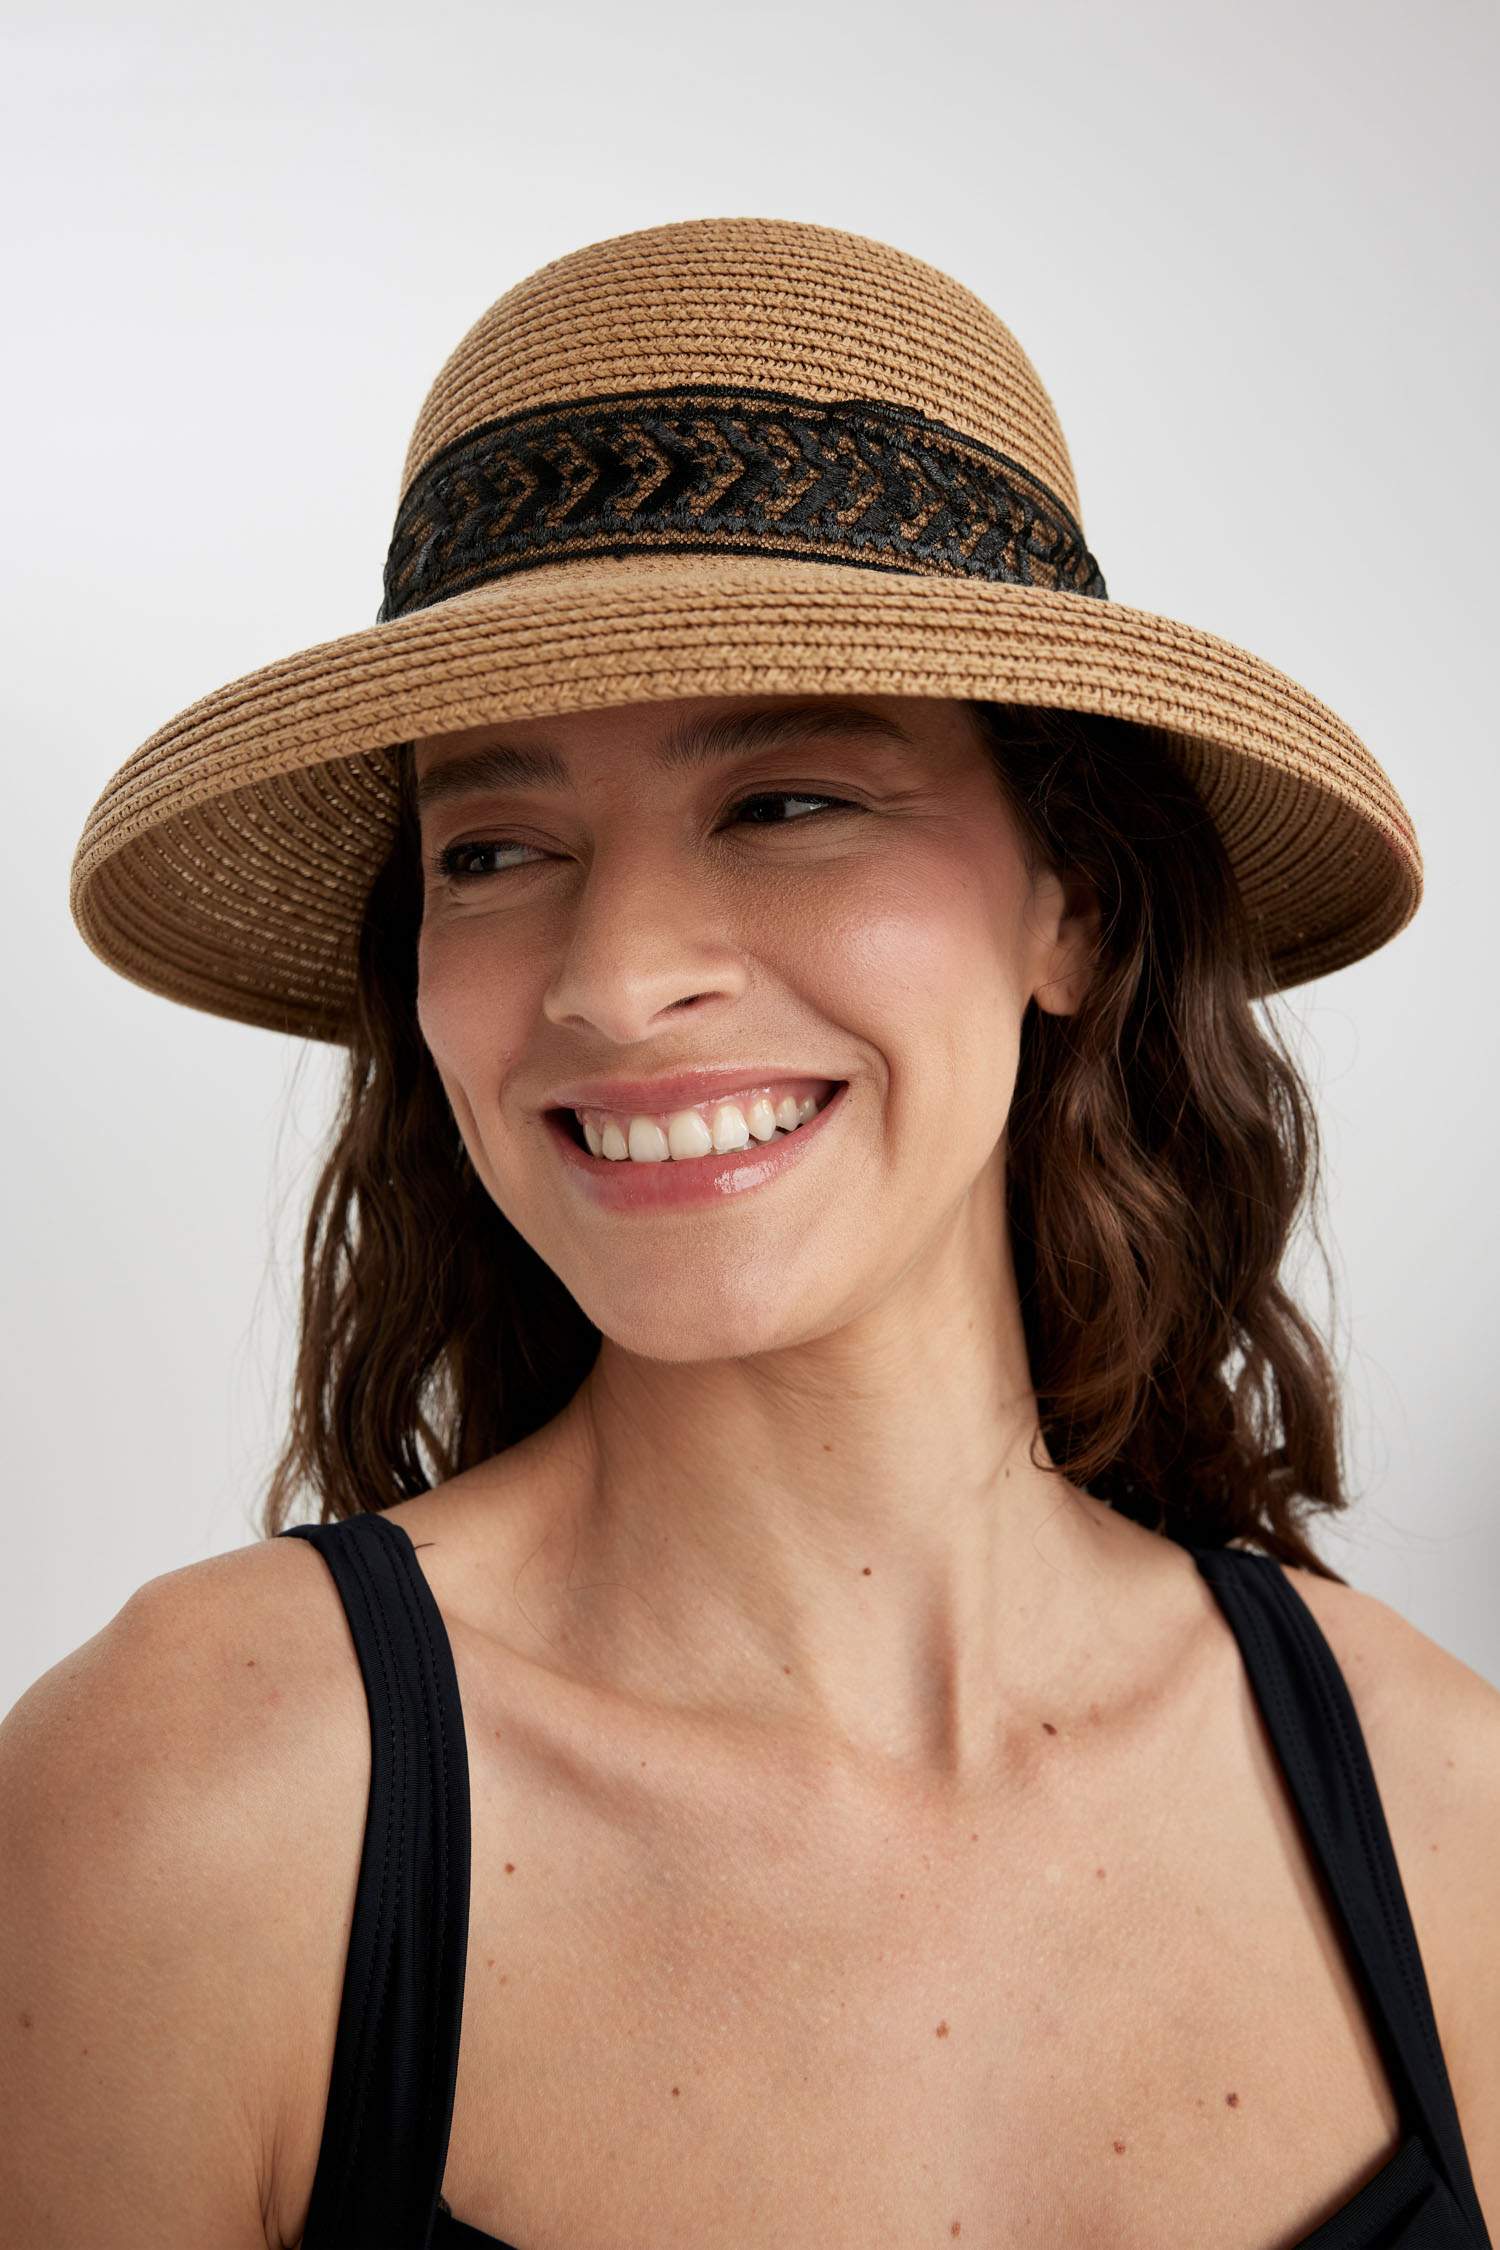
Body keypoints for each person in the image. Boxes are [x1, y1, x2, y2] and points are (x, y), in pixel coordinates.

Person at [3, 218, 1494, 2249]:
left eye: (787, 800)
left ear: (1074, 900)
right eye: (495, 845)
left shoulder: (1450, 1828)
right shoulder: (192, 1814)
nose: (615, 981)